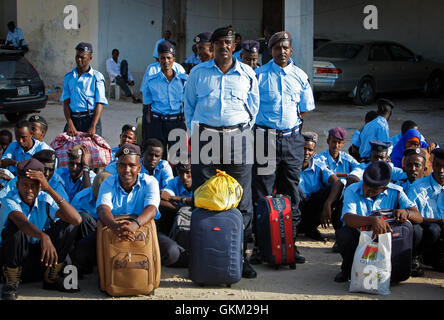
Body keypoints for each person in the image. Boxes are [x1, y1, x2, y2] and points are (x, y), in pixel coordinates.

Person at [184, 26, 259, 279]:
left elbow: (254, 107)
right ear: (212, 46)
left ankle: (240, 257)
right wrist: (196, 135)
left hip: (238, 140)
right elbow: (189, 106)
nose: (224, 47)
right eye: (219, 43)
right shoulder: (198, 73)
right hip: (206, 139)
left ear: (234, 46)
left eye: (228, 42)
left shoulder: (247, 73)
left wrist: (240, 132)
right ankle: (202, 255)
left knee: (242, 201)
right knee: (204, 198)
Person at [251, 31, 315, 266]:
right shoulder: (258, 76)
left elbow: (305, 108)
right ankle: (260, 246)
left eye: (286, 47)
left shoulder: (300, 76)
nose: (282, 52)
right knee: (262, 194)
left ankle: (290, 244)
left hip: (291, 141)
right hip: (264, 139)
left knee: (291, 193)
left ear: (291, 50)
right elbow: (251, 107)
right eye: (277, 48)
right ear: (271, 51)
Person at [72, 143, 188, 273]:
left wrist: (135, 225)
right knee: (81, 251)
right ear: (117, 167)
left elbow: (152, 208)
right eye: (122, 165)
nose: (127, 170)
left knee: (172, 253)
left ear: (139, 167)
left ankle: (145, 264)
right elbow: (103, 209)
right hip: (113, 229)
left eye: (132, 166)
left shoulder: (150, 182)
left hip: (143, 230)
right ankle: (106, 267)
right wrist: (115, 226)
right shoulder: (108, 183)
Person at [0, 159, 82, 300]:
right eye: (25, 185)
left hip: (40, 258)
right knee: (15, 230)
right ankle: (11, 282)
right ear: (17, 183)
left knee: (68, 225)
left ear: (40, 186)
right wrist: (44, 236)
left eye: (34, 186)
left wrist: (49, 189)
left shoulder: (45, 198)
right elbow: (23, 223)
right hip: (14, 258)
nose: (29, 190)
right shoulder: (9, 200)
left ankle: (51, 278)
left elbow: (77, 220)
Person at [334, 161, 423, 282]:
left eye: (372, 191)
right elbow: (348, 218)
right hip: (362, 237)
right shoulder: (352, 189)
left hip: (388, 239)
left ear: (384, 188)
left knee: (417, 230)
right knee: (344, 234)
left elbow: (419, 217)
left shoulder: (396, 192)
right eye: (365, 185)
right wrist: (372, 220)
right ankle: (347, 268)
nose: (366, 192)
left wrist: (406, 213)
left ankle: (398, 267)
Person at [297, 132, 344, 241]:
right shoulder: (290, 165)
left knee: (337, 191)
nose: (306, 153)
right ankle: (295, 228)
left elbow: (338, 183)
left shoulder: (318, 165)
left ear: (314, 152)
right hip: (295, 210)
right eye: (303, 149)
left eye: (310, 150)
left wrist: (328, 204)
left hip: (312, 210)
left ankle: (338, 232)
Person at [141, 41, 188, 151]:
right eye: (162, 58)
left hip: (177, 122)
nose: (166, 61)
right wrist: (149, 124)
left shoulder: (183, 80)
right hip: (157, 123)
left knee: (179, 159)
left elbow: (188, 101)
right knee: (157, 158)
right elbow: (147, 105)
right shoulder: (151, 81)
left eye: (168, 58)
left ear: (173, 60)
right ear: (159, 60)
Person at [408, 148, 444, 274]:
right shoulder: (418, 186)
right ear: (431, 165)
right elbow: (413, 215)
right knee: (433, 229)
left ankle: (438, 258)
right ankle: (416, 257)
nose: (441, 171)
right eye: (438, 166)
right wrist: (439, 221)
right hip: (426, 229)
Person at [61, 42, 108, 137]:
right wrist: (70, 124)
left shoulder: (97, 77)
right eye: (77, 56)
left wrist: (93, 125)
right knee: (66, 148)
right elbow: (66, 103)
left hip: (90, 119)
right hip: (73, 120)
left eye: (83, 57)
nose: (79, 60)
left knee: (93, 150)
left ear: (90, 58)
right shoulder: (68, 77)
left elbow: (99, 103)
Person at [0, 150, 68, 201]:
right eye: (44, 169)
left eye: (51, 170)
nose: (47, 174)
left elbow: (64, 208)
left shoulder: (55, 181)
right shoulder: (21, 178)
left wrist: (47, 188)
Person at [105, 139, 173, 190]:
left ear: (161, 157)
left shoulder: (163, 165)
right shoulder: (134, 164)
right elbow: (108, 171)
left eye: (157, 156)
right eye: (150, 154)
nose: (153, 158)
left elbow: (169, 190)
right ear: (143, 153)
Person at [159, 161, 193, 235]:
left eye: (188, 173)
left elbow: (198, 201)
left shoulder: (202, 182)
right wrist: (181, 210)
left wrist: (175, 198)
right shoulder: (175, 182)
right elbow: (161, 198)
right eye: (181, 173)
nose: (184, 177)